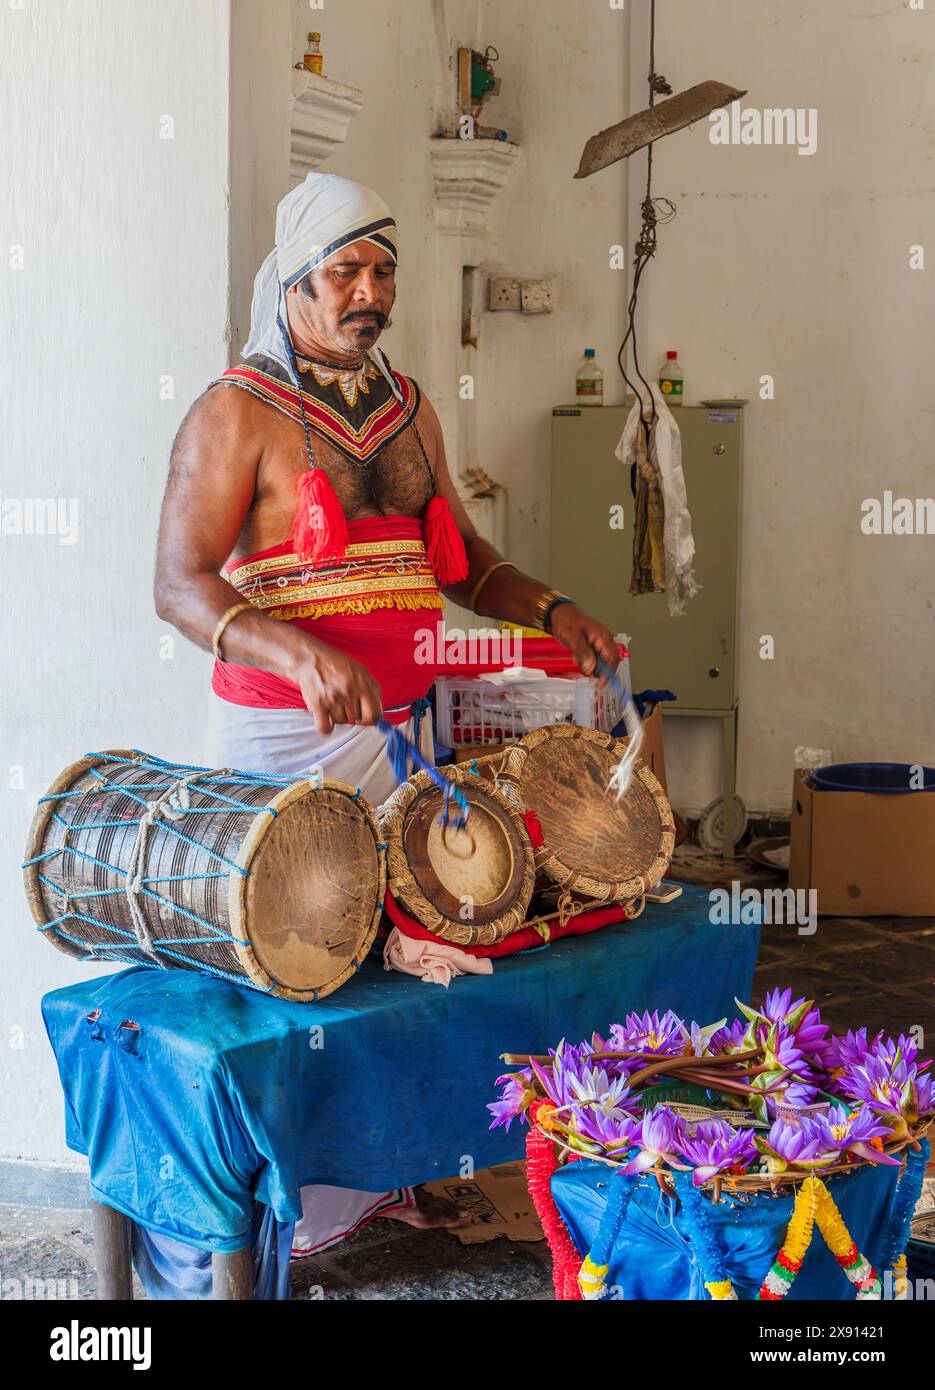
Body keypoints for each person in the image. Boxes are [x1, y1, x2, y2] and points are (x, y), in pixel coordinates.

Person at [152, 171, 617, 1296]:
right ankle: (279, 1212)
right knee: (300, 972)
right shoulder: (237, 411)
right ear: (297, 283)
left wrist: (552, 610)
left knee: (402, 967)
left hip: (400, 738)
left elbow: (470, 564)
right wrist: (298, 651)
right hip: (280, 753)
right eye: (346, 273)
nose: (368, 293)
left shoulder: (406, 407)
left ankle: (379, 1177)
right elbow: (176, 585)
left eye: (382, 272)